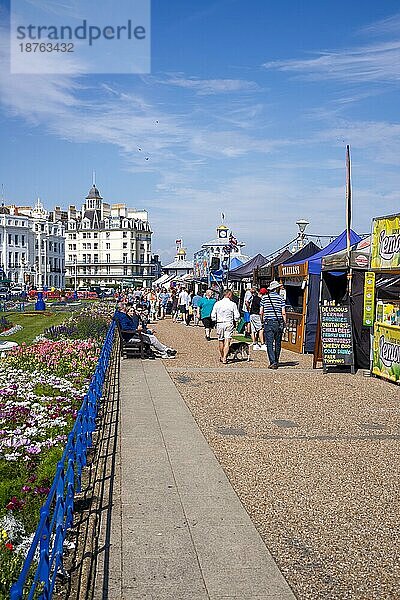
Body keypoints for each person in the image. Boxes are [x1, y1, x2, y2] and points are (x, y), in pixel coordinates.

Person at [260, 281, 286, 369]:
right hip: (278, 322)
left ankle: (272, 361)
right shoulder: (280, 298)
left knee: (269, 343)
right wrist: (284, 323)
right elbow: (283, 313)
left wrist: (262, 321)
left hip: (268, 322)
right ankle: (276, 360)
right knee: (278, 342)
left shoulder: (264, 298)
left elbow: (261, 312)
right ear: (276, 289)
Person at [211, 289, 240, 364]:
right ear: (229, 294)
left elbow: (213, 315)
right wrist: (235, 320)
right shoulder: (233, 304)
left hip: (220, 323)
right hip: (228, 323)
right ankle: (224, 358)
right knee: (227, 341)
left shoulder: (217, 303)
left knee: (221, 341)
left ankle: (222, 356)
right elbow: (237, 316)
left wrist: (215, 320)